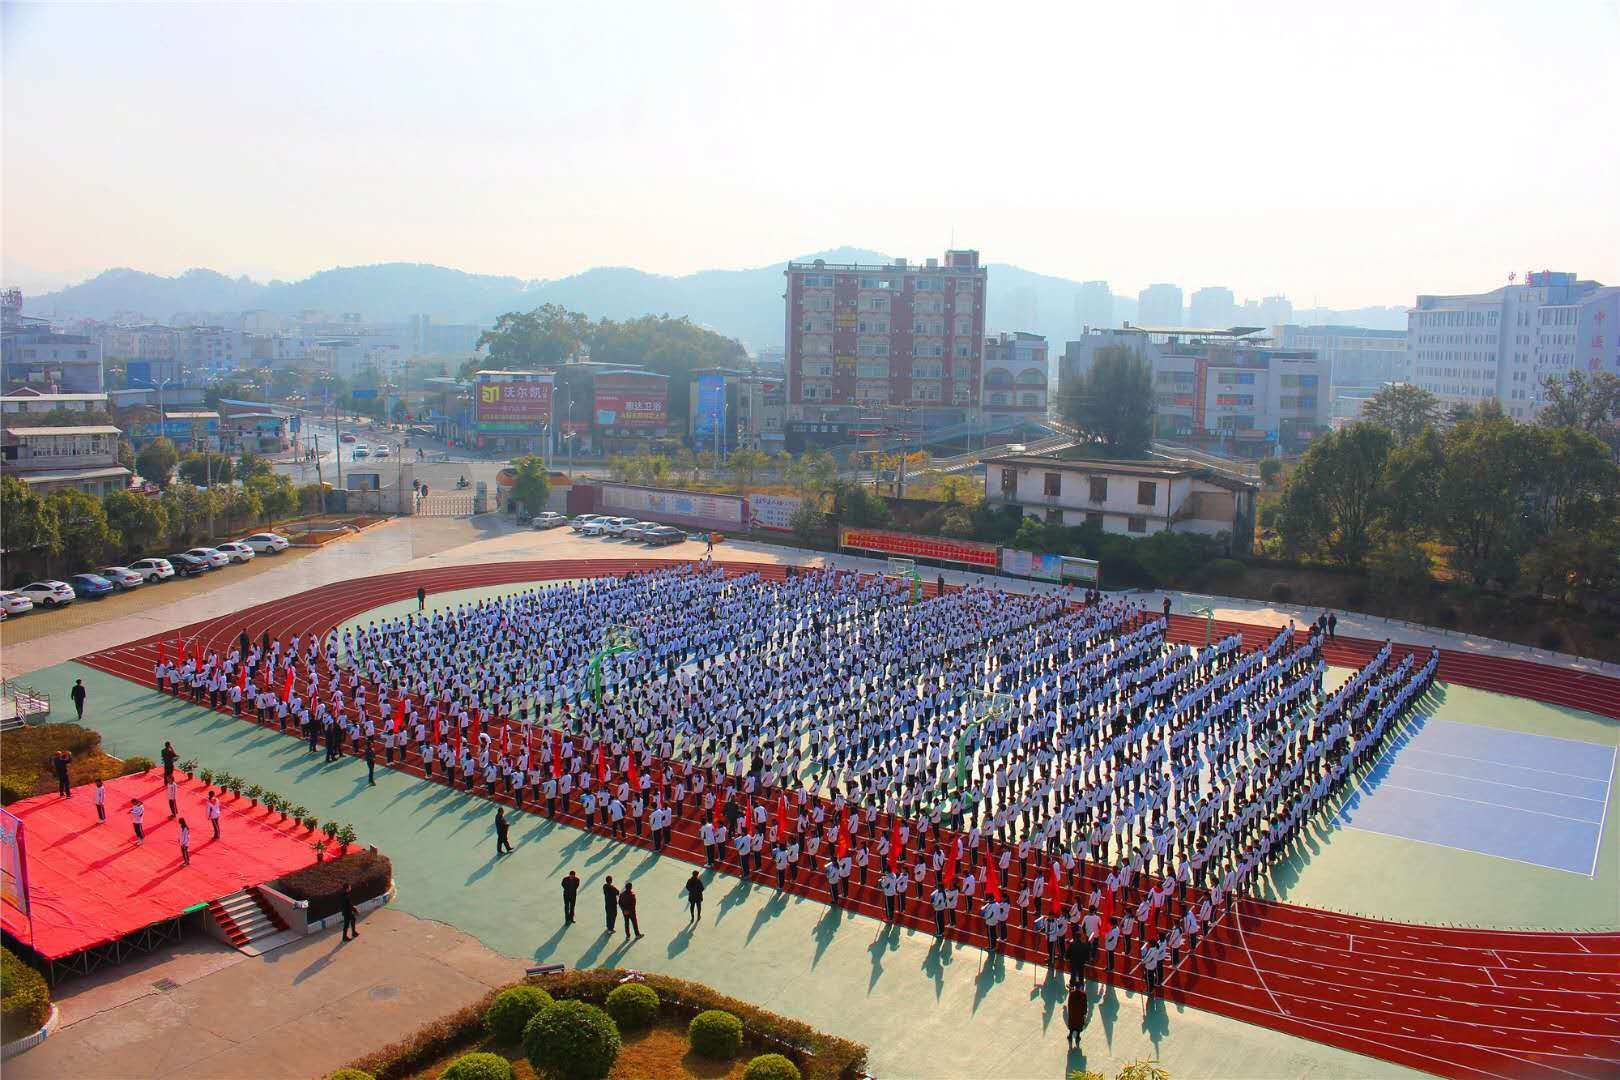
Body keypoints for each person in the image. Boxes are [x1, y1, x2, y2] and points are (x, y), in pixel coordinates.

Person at [1064, 983, 1089, 1048]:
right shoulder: (1083, 994)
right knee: (1079, 1025)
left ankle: (1070, 1035)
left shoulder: (1072, 993)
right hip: (1080, 1014)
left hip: (1073, 1013)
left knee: (1072, 1025)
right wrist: (1084, 1012)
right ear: (1080, 987)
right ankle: (1077, 1036)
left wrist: (1070, 1012)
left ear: (1075, 987)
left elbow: (1069, 1003)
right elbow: (1085, 1005)